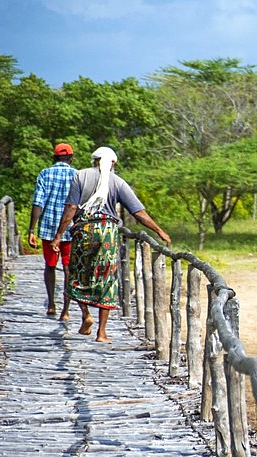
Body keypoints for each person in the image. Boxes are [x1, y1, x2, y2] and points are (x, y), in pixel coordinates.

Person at [51, 146, 171, 343]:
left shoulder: (80, 177)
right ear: (113, 163)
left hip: (84, 230)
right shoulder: (118, 182)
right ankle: (102, 333)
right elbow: (138, 212)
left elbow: (71, 208)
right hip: (107, 232)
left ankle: (85, 314)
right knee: (106, 279)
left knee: (77, 275)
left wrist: (58, 236)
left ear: (94, 160)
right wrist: (159, 230)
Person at [28, 142, 76, 320]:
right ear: (71, 159)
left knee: (50, 266)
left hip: (48, 227)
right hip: (70, 229)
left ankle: (51, 304)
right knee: (68, 268)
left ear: (54, 157)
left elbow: (38, 203)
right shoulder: (77, 175)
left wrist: (32, 229)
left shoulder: (45, 174)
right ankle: (66, 309)